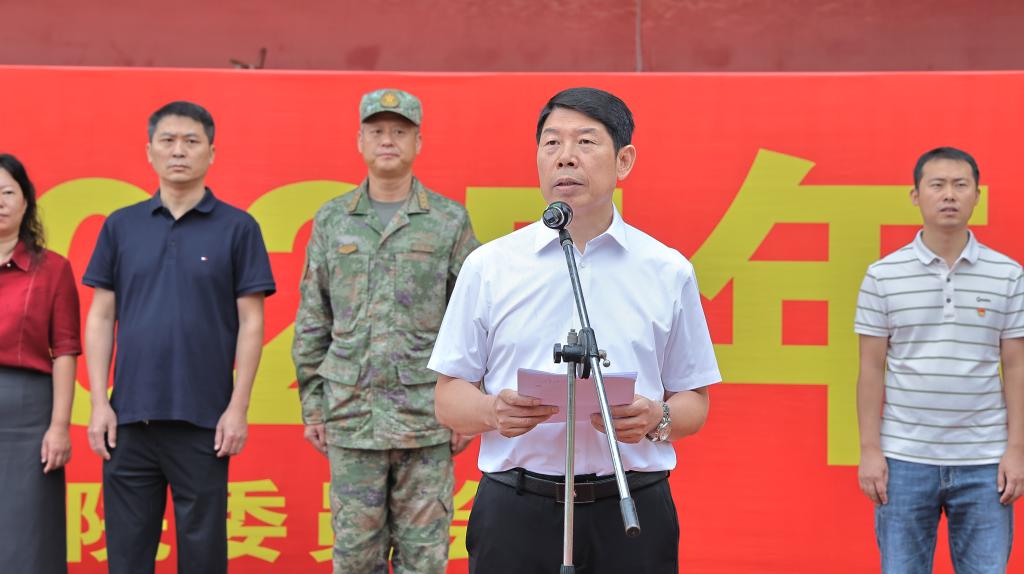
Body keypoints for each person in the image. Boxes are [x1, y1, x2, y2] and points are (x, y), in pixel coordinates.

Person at [428, 87, 721, 573]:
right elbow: (447, 398)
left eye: (585, 142)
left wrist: (657, 417)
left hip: (631, 509)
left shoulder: (666, 270)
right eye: (551, 143)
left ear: (624, 161)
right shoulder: (490, 266)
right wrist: (492, 411)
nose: (565, 157)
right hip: (517, 510)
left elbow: (694, 401)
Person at [83, 101, 276, 574]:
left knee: (203, 554)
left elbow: (252, 323)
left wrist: (237, 408)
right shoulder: (121, 226)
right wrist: (98, 403)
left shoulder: (238, 228)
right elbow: (101, 316)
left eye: (191, 141)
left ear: (211, 153)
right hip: (129, 418)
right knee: (127, 555)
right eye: (167, 141)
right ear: (149, 150)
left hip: (204, 420)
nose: (178, 151)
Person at [292, 88, 479, 574]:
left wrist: (468, 406)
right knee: (355, 558)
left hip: (427, 418)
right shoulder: (333, 219)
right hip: (352, 416)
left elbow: (472, 321)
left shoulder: (448, 220)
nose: (388, 140)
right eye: (377, 131)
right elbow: (313, 316)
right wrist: (313, 405)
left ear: (418, 142)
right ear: (360, 141)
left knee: (425, 558)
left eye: (400, 131)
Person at [855, 147, 1023, 573]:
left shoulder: (1008, 275)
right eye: (937, 185)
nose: (949, 194)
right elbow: (870, 369)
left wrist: (1016, 450)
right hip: (905, 458)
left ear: (977, 196)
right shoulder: (883, 276)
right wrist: (870, 451)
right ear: (916, 195)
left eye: (960, 185)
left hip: (985, 461)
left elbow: (1016, 367)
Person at [0, 153, 80, 573]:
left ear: (26, 201)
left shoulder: (52, 270)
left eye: (7, 192)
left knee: (29, 532)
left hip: (29, 413)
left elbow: (65, 349)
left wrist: (59, 426)